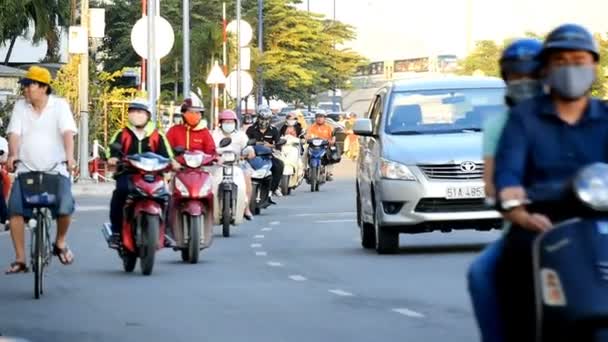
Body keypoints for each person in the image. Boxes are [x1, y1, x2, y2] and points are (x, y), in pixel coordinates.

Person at [494, 24, 608, 342]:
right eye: (561, 61)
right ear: (546, 69)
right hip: (543, 222)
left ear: (594, 65)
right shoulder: (524, 119)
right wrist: (517, 208)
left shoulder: (606, 115)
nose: (571, 68)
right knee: (512, 266)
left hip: (601, 221)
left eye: (579, 59)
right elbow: (508, 171)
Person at [466, 38, 544, 342]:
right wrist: (517, 206)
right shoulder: (501, 125)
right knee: (481, 275)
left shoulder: (576, 116)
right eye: (516, 76)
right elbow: (492, 182)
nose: (524, 82)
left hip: (583, 224)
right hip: (525, 227)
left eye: (532, 75)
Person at [5, 66, 77, 273]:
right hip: (26, 168)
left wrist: (70, 157)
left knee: (65, 207)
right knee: (15, 211)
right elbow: (14, 134)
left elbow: (67, 133)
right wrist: (13, 154)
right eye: (25, 86)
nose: (26, 90)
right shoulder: (20, 107)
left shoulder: (60, 106)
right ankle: (20, 259)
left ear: (44, 87)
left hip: (56, 169)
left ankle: (60, 243)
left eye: (30, 85)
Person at [106, 99, 174, 246]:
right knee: (120, 193)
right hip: (128, 174)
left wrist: (173, 163)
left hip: (154, 176)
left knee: (167, 197)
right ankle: (116, 232)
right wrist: (112, 157)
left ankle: (167, 232)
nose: (136, 114)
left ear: (148, 115)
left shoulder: (157, 135)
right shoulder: (122, 133)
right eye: (133, 111)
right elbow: (110, 149)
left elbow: (168, 155)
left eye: (140, 111)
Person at [212, 110, 255, 220]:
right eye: (226, 121)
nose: (228, 124)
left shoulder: (240, 135)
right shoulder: (214, 134)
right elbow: (209, 148)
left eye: (231, 122)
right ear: (221, 123)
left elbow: (248, 148)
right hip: (218, 164)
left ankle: (246, 208)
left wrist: (249, 153)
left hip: (238, 163)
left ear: (235, 123)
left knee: (247, 179)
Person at [246, 105, 285, 198]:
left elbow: (278, 144)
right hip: (254, 155)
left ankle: (273, 189)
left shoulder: (274, 130)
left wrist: (270, 145)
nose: (264, 121)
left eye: (266, 119)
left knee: (279, 165)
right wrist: (256, 144)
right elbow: (245, 142)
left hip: (268, 156)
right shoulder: (250, 129)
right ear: (258, 118)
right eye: (262, 118)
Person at [306, 112, 338, 180]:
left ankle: (329, 172)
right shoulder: (311, 127)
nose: (319, 119)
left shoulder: (329, 127)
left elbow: (333, 136)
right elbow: (307, 136)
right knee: (305, 153)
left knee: (331, 155)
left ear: (324, 118)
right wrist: (306, 138)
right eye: (317, 117)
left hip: (325, 146)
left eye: (321, 117)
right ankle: (304, 170)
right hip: (313, 146)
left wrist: (332, 141)